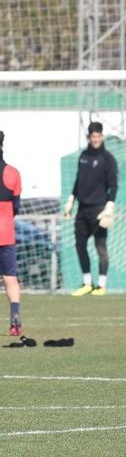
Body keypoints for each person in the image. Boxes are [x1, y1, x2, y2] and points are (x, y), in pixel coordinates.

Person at [64, 121, 118, 296]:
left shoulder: (108, 159)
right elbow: (79, 180)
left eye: (98, 136)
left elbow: (113, 185)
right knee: (80, 245)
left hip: (99, 209)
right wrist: (71, 199)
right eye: (92, 136)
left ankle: (101, 285)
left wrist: (110, 205)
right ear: (89, 137)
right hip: (83, 209)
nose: (95, 139)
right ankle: (87, 283)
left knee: (100, 246)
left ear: (102, 137)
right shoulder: (83, 156)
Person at [0, 131, 23, 336]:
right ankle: (15, 317)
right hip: (6, 233)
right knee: (10, 278)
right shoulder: (13, 173)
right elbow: (16, 206)